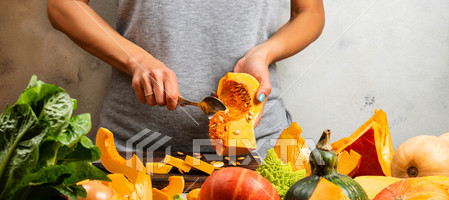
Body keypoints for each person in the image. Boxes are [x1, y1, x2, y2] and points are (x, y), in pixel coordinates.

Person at [47, 0, 325, 158]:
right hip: (138, 149)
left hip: (259, 151)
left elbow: (310, 12)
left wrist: (264, 53)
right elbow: (62, 6)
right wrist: (137, 60)